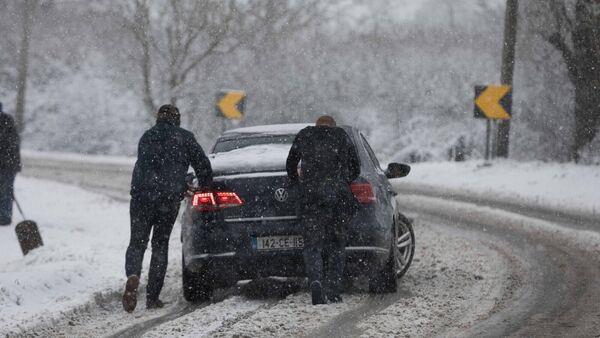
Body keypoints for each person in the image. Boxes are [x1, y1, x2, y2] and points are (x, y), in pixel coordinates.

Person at [123, 104, 212, 312]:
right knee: (160, 245)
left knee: (137, 242)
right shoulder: (185, 137)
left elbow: (152, 167)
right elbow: (203, 167)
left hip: (141, 197)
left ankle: (133, 275)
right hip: (167, 200)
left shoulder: (147, 136)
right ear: (177, 119)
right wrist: (205, 189)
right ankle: (152, 297)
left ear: (158, 118)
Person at [286, 115, 360, 305]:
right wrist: (343, 181)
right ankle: (333, 289)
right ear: (333, 126)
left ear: (316, 125)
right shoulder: (341, 136)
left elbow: (290, 164)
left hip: (311, 197)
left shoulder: (304, 135)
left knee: (312, 245)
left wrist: (298, 184)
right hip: (337, 198)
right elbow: (356, 167)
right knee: (336, 244)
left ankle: (316, 281)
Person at [0, 103, 21, 226]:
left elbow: (10, 144)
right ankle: (4, 217)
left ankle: (4, 218)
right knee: (6, 191)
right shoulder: (8, 120)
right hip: (10, 164)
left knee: (6, 191)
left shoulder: (6, 121)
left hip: (7, 165)